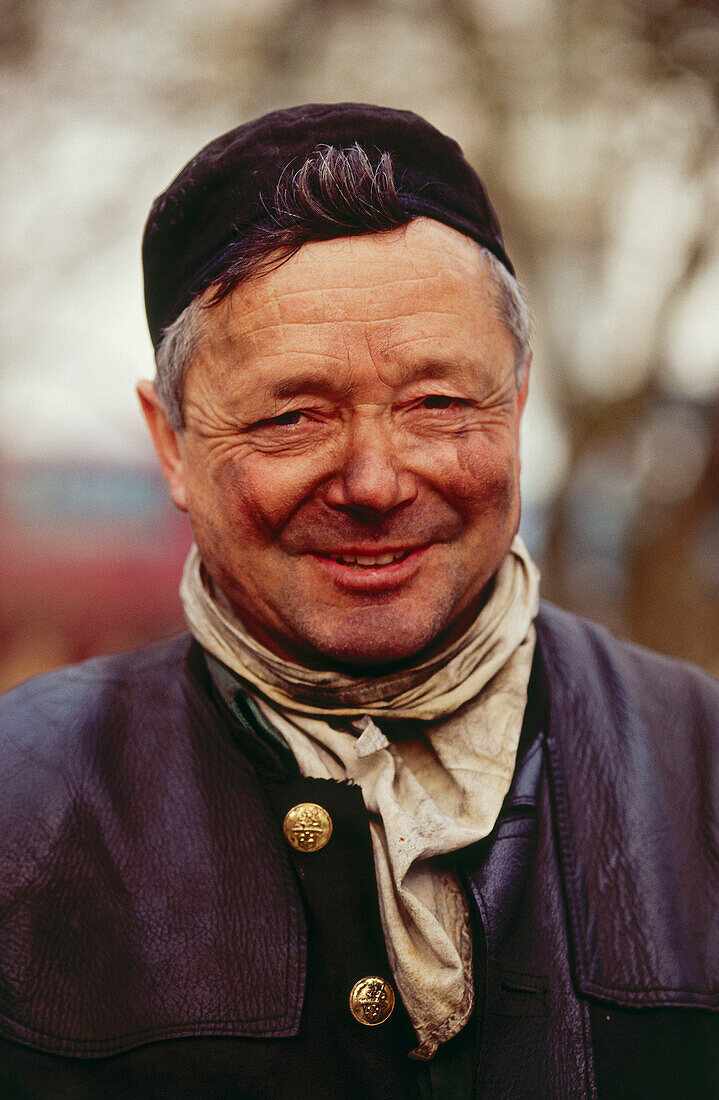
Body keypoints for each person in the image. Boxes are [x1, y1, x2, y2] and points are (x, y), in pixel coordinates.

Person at [0, 103, 717, 1100]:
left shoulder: (703, 767)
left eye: (435, 402)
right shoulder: (19, 807)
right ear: (170, 441)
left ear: (513, 405)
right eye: (293, 414)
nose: (374, 480)